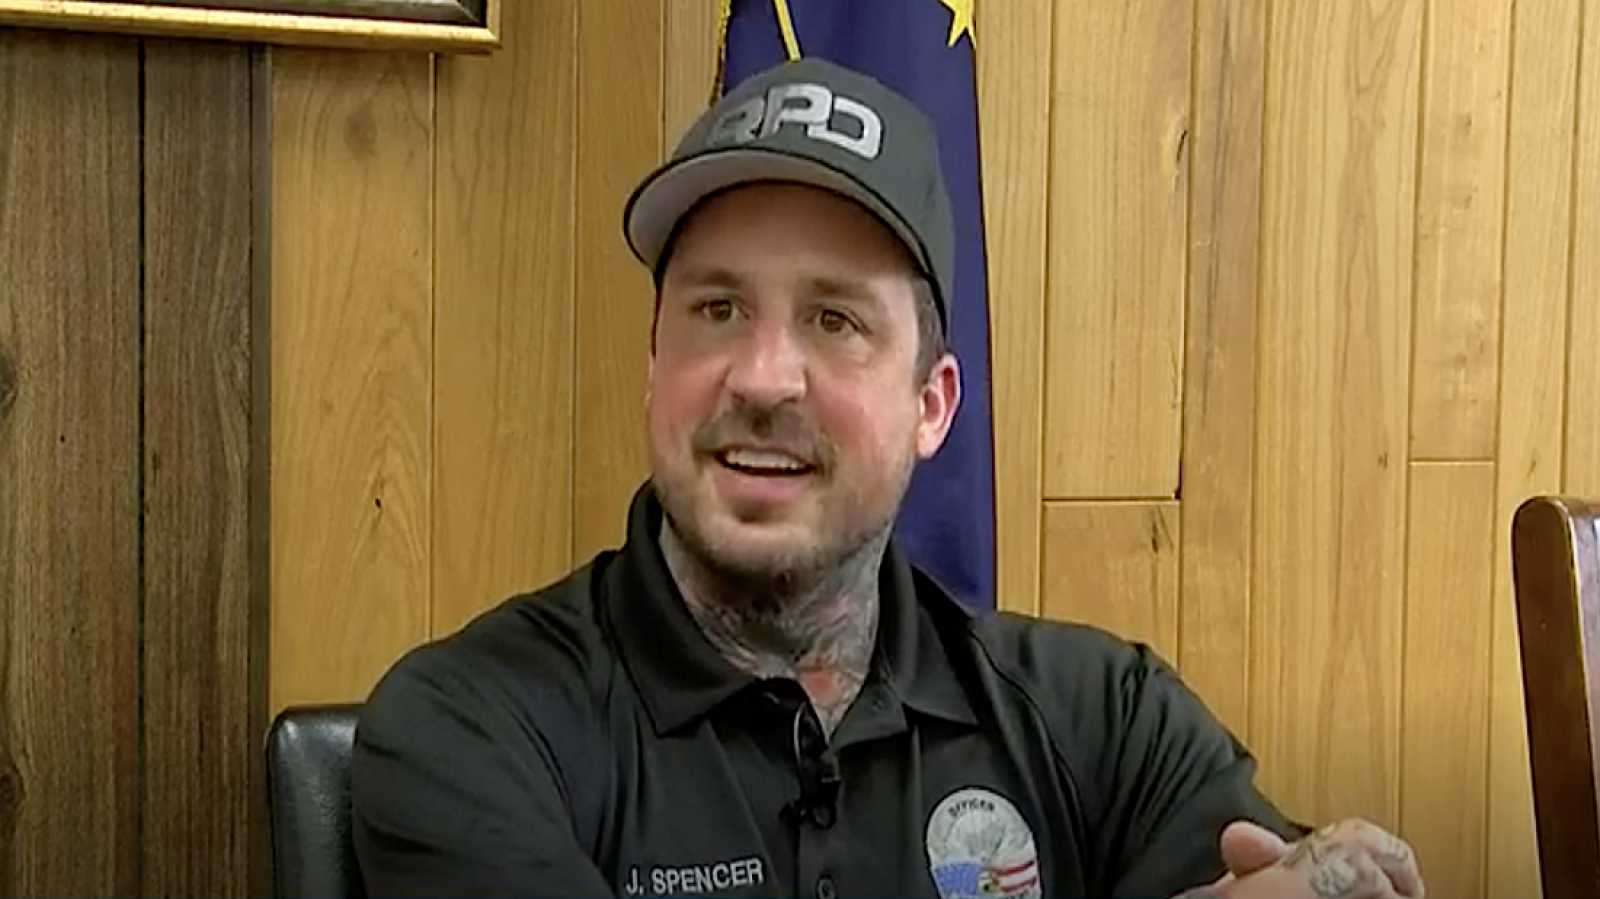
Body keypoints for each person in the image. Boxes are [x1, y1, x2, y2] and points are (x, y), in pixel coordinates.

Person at [351, 58, 1426, 899]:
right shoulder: (470, 727)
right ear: (653, 367)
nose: (763, 376)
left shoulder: (1111, 719)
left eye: (834, 319)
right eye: (717, 309)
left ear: (931, 404)